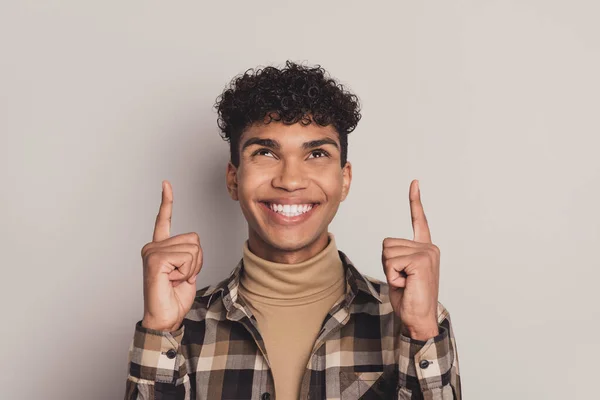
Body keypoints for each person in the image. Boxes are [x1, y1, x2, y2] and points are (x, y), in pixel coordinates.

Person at [124, 61, 462, 400]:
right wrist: (160, 328)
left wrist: (421, 331)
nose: (290, 180)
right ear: (233, 179)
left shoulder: (411, 318)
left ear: (344, 180)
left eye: (316, 153)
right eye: (265, 152)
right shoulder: (181, 327)